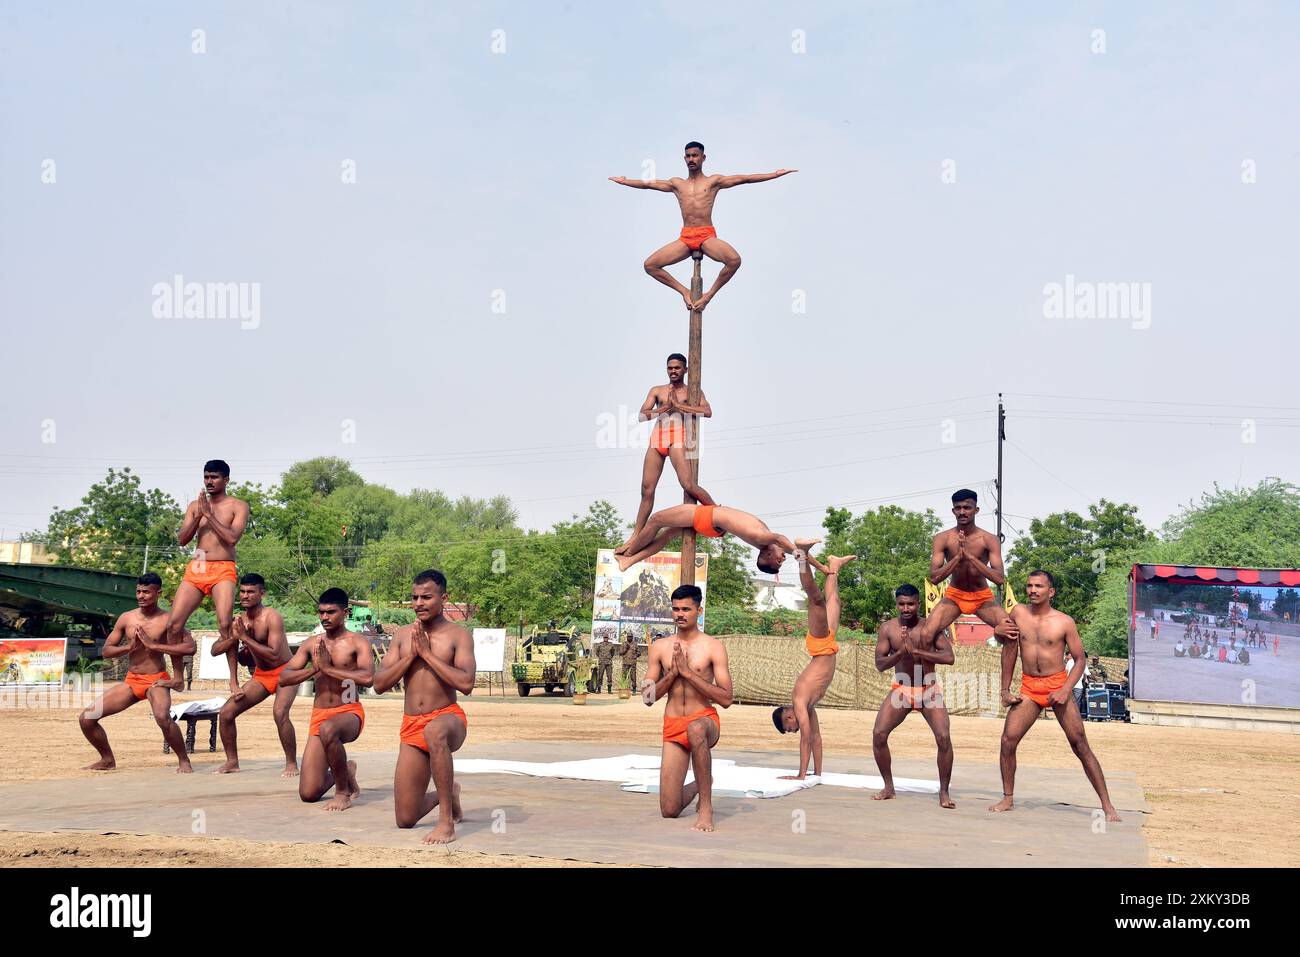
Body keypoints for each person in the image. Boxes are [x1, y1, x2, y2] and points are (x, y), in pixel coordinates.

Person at [989, 571, 1121, 822]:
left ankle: (1107, 805)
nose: (1033, 590)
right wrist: (1005, 688)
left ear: (1051, 592)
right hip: (1029, 687)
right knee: (1008, 740)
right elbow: (1007, 648)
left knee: (1080, 744)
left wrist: (1066, 688)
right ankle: (1008, 797)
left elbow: (1080, 658)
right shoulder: (1018, 613)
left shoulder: (1064, 622)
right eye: (1029, 585)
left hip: (1057, 684)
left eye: (1039, 586)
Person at [609, 141, 796, 312]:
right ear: (684, 159)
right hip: (686, 237)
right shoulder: (677, 184)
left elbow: (744, 179)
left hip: (706, 235)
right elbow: (649, 184)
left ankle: (708, 295)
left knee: (734, 260)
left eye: (695, 155)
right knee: (650, 265)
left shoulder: (713, 181)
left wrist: (774, 174)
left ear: (703, 158)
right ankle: (684, 291)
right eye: (688, 156)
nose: (691, 159)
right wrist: (626, 181)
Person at [374, 570, 475, 844]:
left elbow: (466, 684)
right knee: (405, 819)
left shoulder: (458, 635)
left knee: (434, 731)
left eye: (426, 597)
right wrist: (411, 657)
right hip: (411, 726)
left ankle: (446, 823)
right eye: (414, 597)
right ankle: (448, 795)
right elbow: (379, 684)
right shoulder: (403, 636)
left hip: (447, 719)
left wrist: (428, 655)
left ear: (444, 598)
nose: (419, 603)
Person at [78, 573, 195, 771]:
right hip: (132, 681)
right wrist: (128, 648)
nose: (141, 596)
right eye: (138, 592)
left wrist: (155, 646)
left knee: (162, 718)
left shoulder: (169, 620)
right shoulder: (127, 618)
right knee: (87, 718)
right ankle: (107, 760)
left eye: (146, 592)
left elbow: (190, 648)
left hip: (156, 680)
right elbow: (106, 651)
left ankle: (184, 761)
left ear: (158, 593)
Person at [643, 584, 733, 832]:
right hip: (673, 725)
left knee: (695, 729)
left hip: (705, 721)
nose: (680, 614)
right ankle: (699, 784)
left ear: (699, 611)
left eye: (686, 609)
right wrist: (672, 674)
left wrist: (689, 675)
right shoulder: (660, 647)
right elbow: (648, 697)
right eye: (675, 609)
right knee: (669, 810)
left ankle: (706, 807)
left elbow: (726, 698)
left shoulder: (713, 647)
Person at [280, 588, 374, 811]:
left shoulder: (357, 642)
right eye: (321, 612)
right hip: (320, 715)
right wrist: (314, 670)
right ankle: (345, 770)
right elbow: (284, 677)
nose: (324, 617)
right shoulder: (312, 644)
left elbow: (368, 678)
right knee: (308, 793)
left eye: (330, 612)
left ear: (345, 612)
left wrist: (329, 670)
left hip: (349, 712)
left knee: (329, 729)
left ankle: (342, 792)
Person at [771, 544, 855, 781]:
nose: (795, 728)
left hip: (819, 646)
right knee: (833, 601)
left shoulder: (799, 703)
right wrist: (816, 774)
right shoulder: (807, 706)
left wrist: (800, 775)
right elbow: (816, 738)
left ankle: (801, 554)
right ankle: (834, 565)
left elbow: (805, 737)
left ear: (789, 718)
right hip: (827, 645)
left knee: (816, 600)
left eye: (791, 727)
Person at [164, 460, 250, 693]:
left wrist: (209, 516)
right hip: (199, 564)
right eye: (206, 477)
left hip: (223, 566)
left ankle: (233, 681)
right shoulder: (195, 505)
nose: (209, 481)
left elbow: (232, 539)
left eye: (214, 477)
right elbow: (182, 539)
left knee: (224, 623)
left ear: (226, 480)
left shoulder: (238, 505)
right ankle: (178, 677)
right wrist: (198, 515)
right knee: (173, 624)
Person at [619, 353, 716, 549]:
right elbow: (641, 416)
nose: (673, 371)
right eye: (670, 368)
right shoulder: (657, 390)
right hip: (657, 440)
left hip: (678, 438)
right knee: (646, 490)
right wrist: (663, 409)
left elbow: (707, 412)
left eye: (677, 368)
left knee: (688, 484)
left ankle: (717, 513)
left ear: (685, 370)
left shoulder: (693, 391)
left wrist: (679, 406)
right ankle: (635, 536)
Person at [210, 573, 298, 775]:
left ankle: (291, 763)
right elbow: (216, 650)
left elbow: (275, 653)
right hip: (262, 675)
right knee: (226, 713)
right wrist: (234, 682)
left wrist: (244, 638)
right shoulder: (238, 621)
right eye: (242, 591)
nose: (245, 595)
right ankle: (232, 762)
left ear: (262, 593)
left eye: (251, 591)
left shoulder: (271, 617)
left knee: (279, 713)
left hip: (286, 671)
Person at [924, 489, 1015, 641]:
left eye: (967, 507)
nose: (962, 512)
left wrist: (971, 557)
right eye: (958, 508)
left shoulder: (989, 539)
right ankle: (923, 665)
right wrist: (958, 557)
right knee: (926, 635)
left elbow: (999, 579)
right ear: (953, 511)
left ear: (976, 510)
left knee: (1011, 633)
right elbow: (934, 578)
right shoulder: (942, 538)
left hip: (982, 597)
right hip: (954, 595)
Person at [614, 502, 795, 574]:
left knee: (656, 520)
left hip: (708, 517)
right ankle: (629, 562)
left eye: (779, 562)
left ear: (767, 555)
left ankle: (629, 551)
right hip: (714, 527)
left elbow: (782, 540)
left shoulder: (762, 537)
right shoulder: (764, 540)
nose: (784, 558)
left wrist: (802, 555)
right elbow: (788, 547)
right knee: (668, 535)